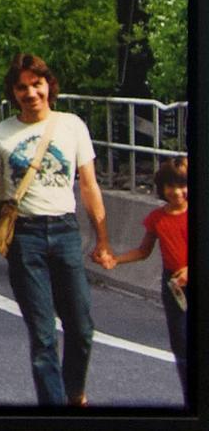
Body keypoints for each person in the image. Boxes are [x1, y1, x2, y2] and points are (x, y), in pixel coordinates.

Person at [0, 53, 113, 407]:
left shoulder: (72, 126)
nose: (31, 93)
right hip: (25, 239)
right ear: (14, 92)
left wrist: (102, 239)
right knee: (43, 337)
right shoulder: (2, 135)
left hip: (66, 232)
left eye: (37, 85)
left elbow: (88, 186)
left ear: (48, 86)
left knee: (82, 329)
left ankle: (74, 394)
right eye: (22, 87)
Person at [108, 158, 188, 394]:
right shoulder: (157, 218)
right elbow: (143, 252)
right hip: (173, 284)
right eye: (170, 186)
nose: (177, 192)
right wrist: (116, 259)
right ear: (162, 188)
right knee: (181, 345)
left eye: (182, 185)